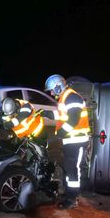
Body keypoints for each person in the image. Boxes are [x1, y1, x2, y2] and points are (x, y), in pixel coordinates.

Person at [42, 74, 90, 209]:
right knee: (69, 169)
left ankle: (72, 198)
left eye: (52, 90)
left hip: (77, 140)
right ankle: (69, 193)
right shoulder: (65, 97)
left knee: (73, 170)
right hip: (71, 140)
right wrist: (48, 114)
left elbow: (73, 119)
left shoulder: (71, 96)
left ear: (59, 86)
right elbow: (63, 115)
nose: (51, 93)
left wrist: (61, 133)